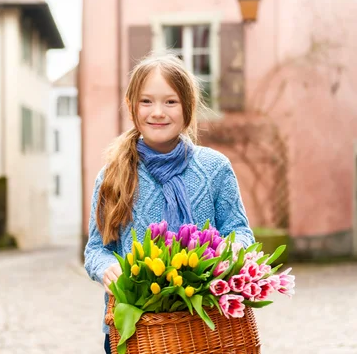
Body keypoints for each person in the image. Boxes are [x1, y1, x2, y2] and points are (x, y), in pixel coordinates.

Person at [83, 53, 255, 353]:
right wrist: (108, 267)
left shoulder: (215, 169)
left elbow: (240, 230)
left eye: (170, 102)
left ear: (188, 108)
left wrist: (232, 250)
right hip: (138, 331)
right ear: (131, 106)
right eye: (146, 101)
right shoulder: (113, 176)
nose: (158, 112)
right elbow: (97, 249)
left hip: (207, 329)